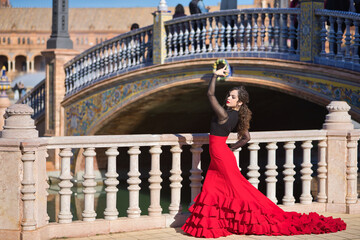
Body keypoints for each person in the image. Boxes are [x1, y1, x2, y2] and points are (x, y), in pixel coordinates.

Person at [181, 66, 347, 238]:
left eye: (232, 97)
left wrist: (214, 76)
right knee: (218, 190)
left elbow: (209, 95)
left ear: (239, 103)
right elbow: (246, 138)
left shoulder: (224, 115)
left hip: (221, 157)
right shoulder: (236, 116)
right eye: (229, 95)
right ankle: (216, 224)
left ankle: (251, 219)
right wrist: (230, 148)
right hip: (222, 155)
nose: (228, 98)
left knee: (235, 191)